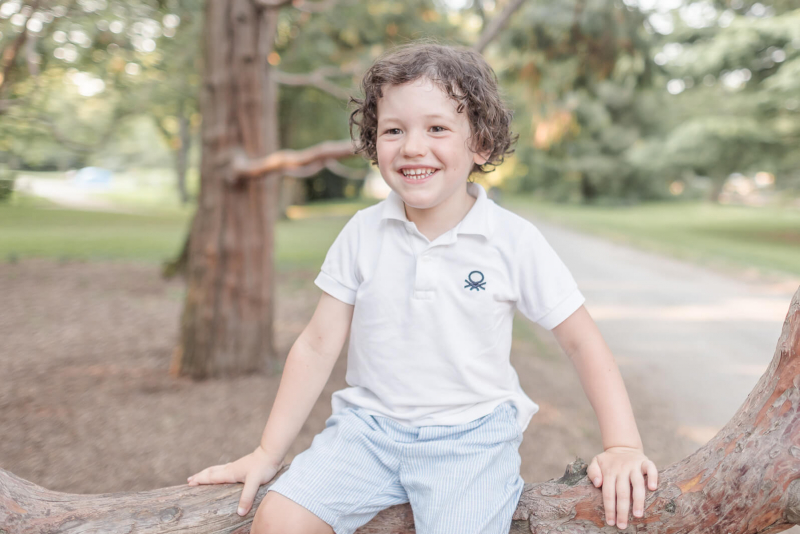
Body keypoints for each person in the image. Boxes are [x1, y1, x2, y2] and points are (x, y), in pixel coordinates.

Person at [187, 42, 658, 534]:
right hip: (365, 433)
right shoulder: (362, 234)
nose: (412, 146)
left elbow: (582, 341)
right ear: (375, 143)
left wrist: (623, 444)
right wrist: (267, 452)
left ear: (480, 144)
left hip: (471, 440)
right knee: (278, 522)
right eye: (394, 130)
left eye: (437, 128)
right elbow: (316, 344)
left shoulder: (512, 241)